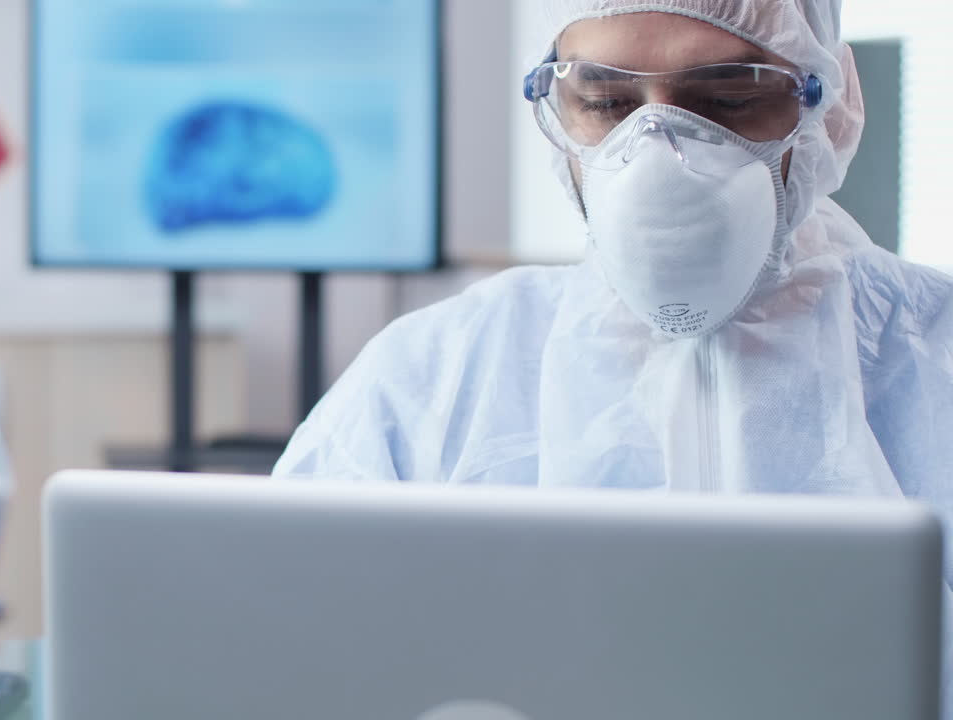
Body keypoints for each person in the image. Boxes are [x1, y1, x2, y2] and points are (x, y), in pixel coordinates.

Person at [275, 0, 953, 704]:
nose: (657, 158)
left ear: (827, 107)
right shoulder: (429, 379)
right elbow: (283, 651)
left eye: (728, 99)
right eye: (605, 103)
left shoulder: (935, 356)